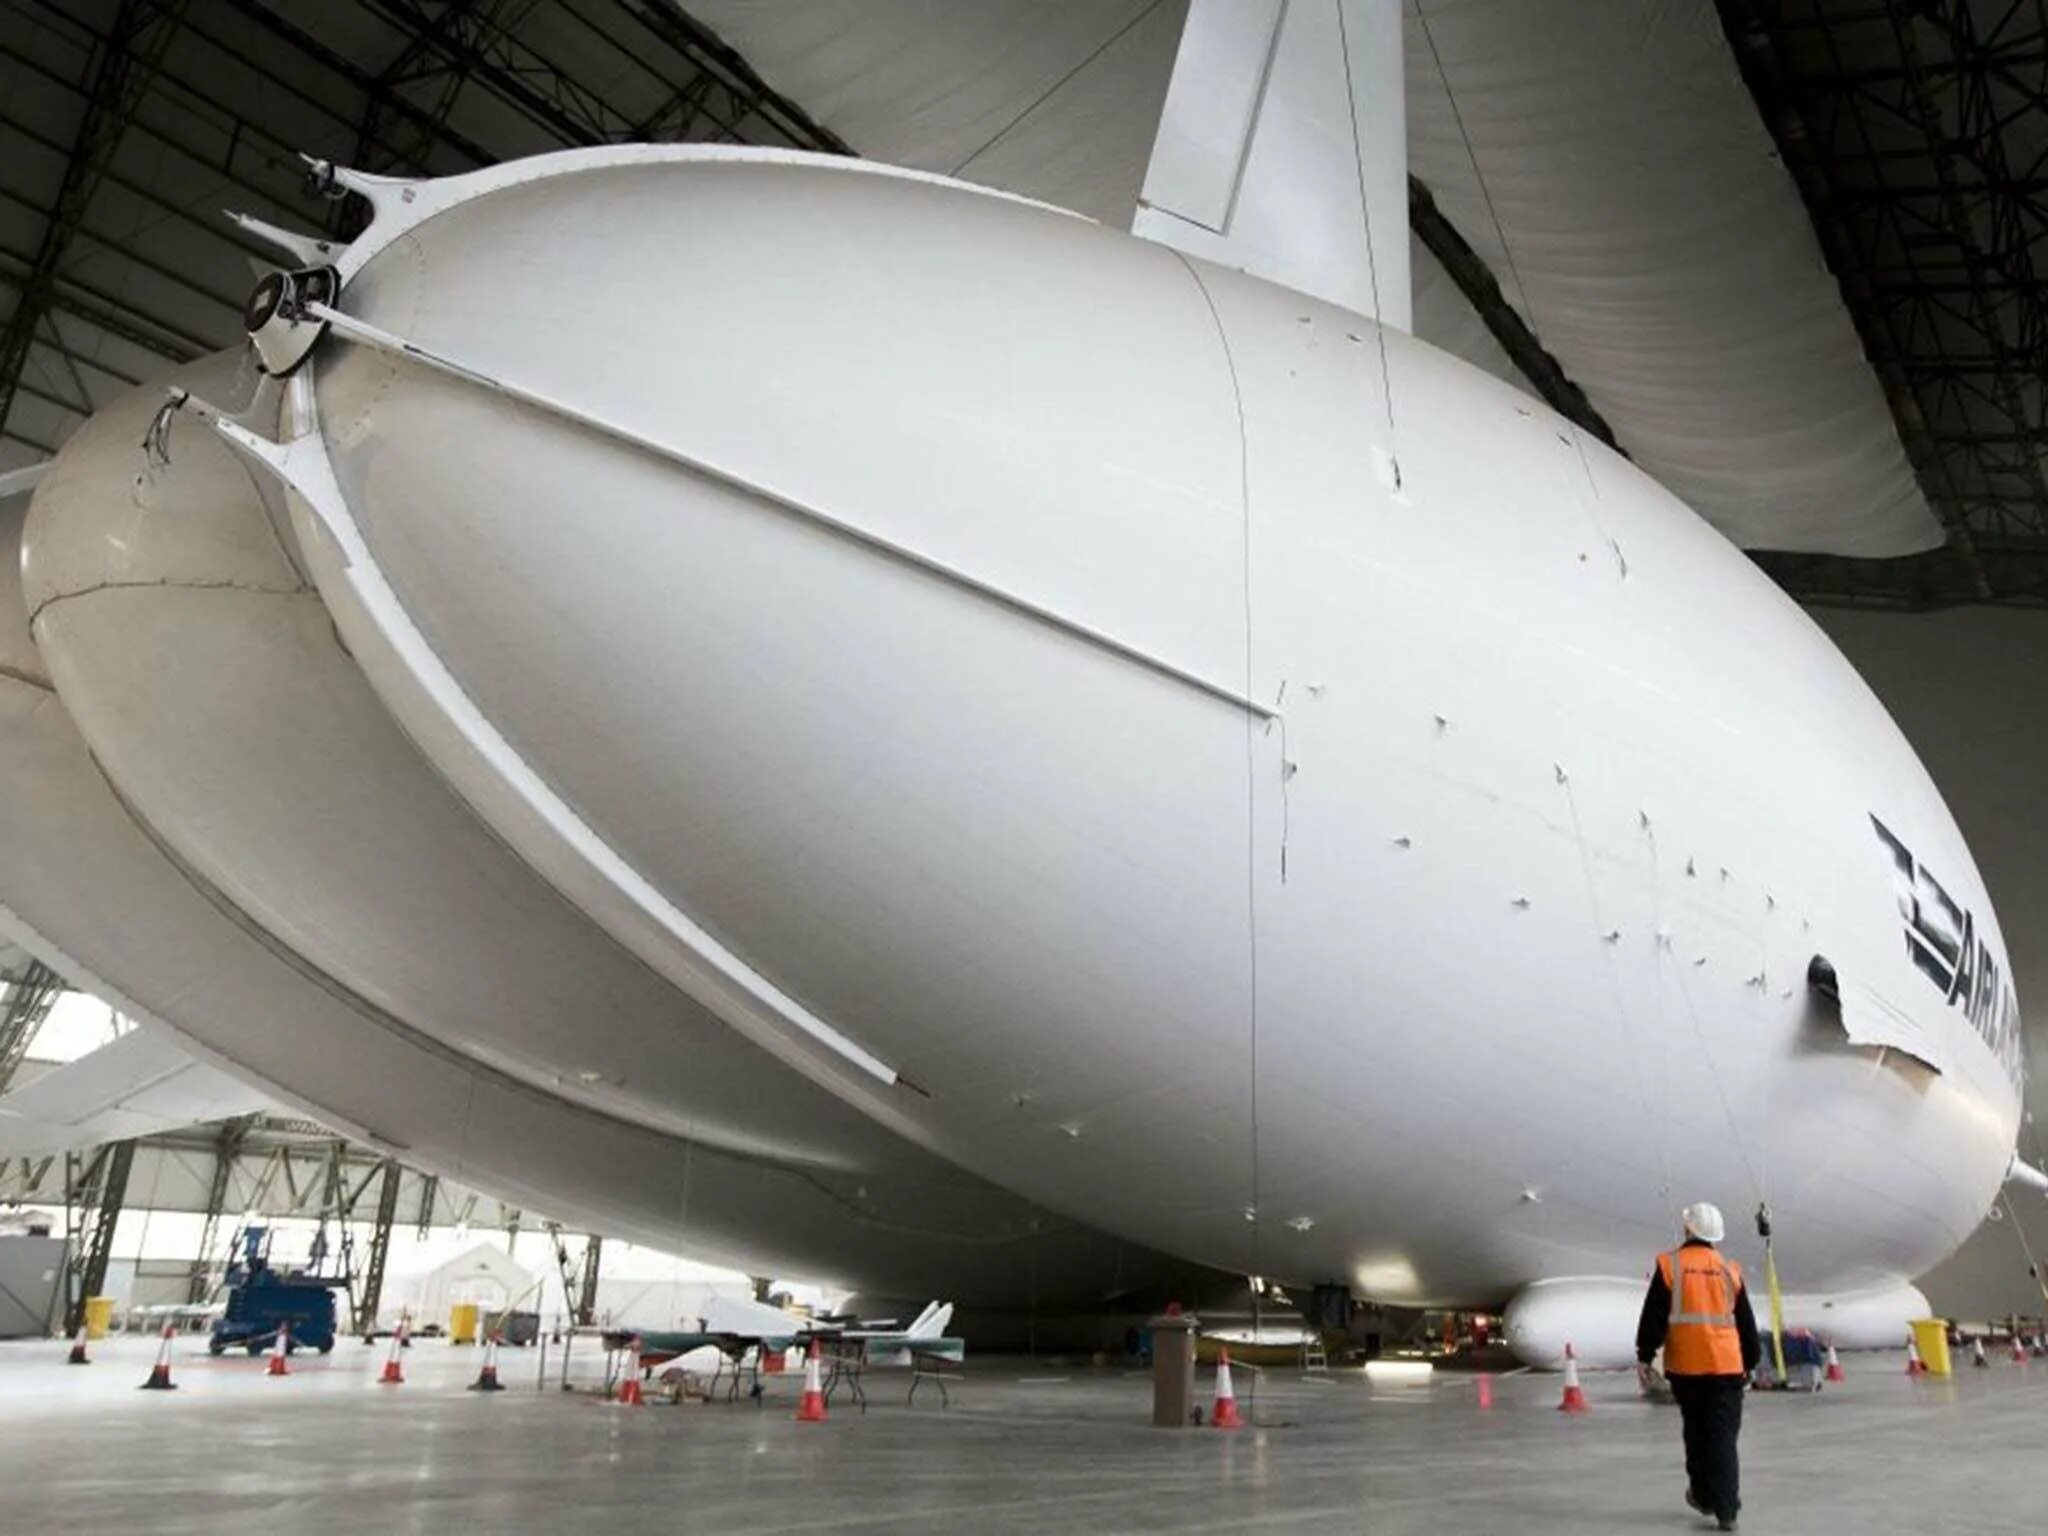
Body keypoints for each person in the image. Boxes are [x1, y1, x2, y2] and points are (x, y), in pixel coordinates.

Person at [1635, 1201, 1760, 1531]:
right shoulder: (1728, 1269)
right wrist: (1752, 1360)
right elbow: (1745, 1322)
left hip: (1687, 1369)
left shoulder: (1670, 1266)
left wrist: (1645, 1355)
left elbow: (1654, 1316)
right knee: (1722, 1438)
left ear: (1688, 1229)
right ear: (1716, 1237)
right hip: (1727, 1367)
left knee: (1696, 1433)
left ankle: (1704, 1496)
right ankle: (1727, 1511)